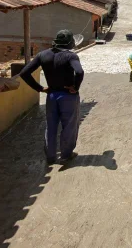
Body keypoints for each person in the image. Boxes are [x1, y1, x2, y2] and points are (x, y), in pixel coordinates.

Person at [20, 30, 84, 165]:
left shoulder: (42, 55)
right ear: (69, 43)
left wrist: (40, 88)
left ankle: (50, 157)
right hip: (68, 96)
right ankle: (66, 155)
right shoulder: (71, 56)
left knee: (51, 126)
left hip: (52, 96)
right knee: (69, 126)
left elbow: (24, 72)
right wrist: (75, 87)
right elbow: (79, 72)